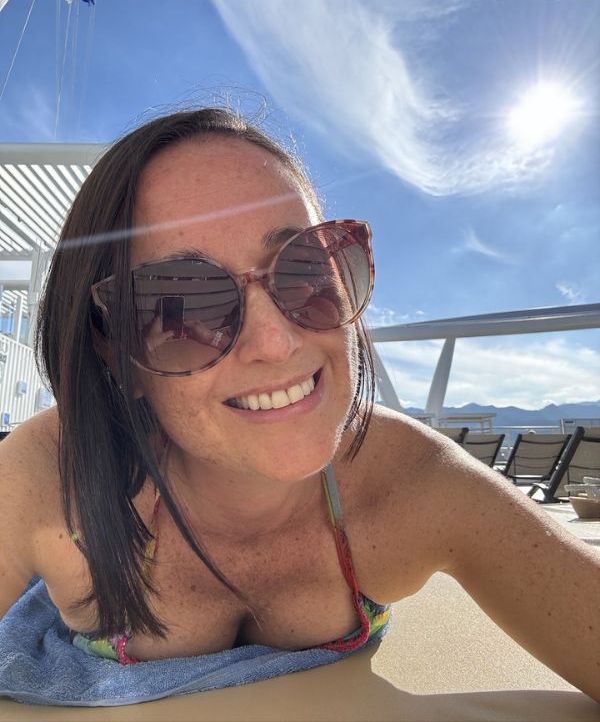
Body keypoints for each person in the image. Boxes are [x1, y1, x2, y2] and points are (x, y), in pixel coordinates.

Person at [0, 108, 598, 700]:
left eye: (306, 270)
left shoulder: (413, 483)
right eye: (182, 306)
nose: (276, 342)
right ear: (114, 354)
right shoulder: (52, 477)